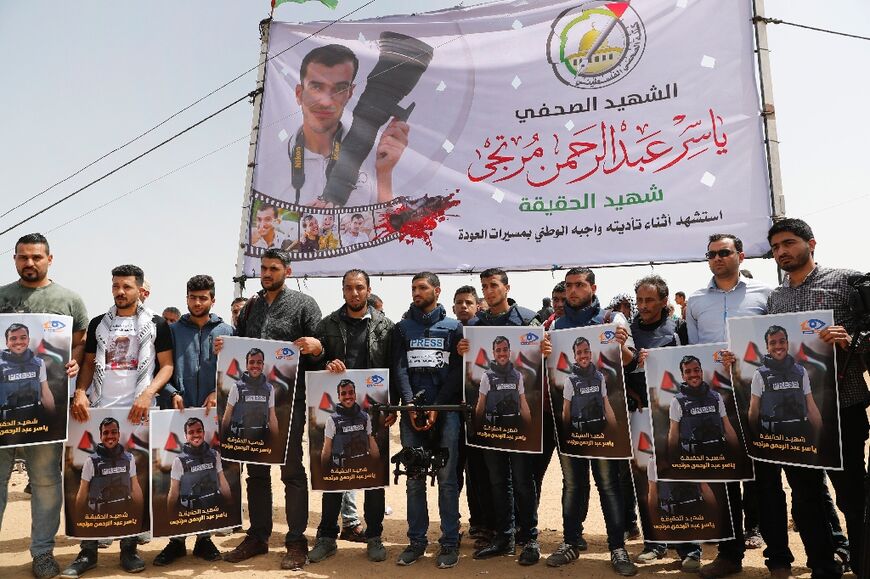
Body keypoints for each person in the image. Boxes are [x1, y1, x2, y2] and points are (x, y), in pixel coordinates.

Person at [757, 218, 868, 578]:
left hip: (843, 405)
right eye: (775, 248)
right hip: (793, 414)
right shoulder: (776, 297)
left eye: (788, 243)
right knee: (805, 495)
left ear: (811, 243)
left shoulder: (848, 282)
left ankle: (864, 561)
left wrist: (851, 339)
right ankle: (822, 563)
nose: (781, 252)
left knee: (852, 492)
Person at [64, 264, 175, 578]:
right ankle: (87, 552)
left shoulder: (156, 324)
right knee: (87, 479)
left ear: (140, 289)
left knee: (130, 482)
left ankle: (129, 549)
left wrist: (148, 392)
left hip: (138, 413)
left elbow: (166, 367)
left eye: (126, 286)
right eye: (115, 286)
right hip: (96, 412)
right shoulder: (99, 323)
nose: (120, 292)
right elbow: (86, 364)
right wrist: (82, 392)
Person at [218, 248, 323, 571]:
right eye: (263, 268)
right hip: (251, 407)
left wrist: (316, 348)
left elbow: (320, 348)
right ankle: (258, 536)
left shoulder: (305, 305)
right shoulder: (251, 306)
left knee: (291, 471)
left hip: (287, 405)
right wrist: (226, 346)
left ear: (287, 272)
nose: (266, 273)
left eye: (273, 268)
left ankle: (295, 540)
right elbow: (240, 345)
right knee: (256, 472)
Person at [0, 233, 87, 579]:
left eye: (36, 257)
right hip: (3, 414)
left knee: (46, 482)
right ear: (15, 260)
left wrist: (74, 363)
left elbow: (80, 345)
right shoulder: (2, 297)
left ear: (50, 259)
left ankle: (43, 553)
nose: (29, 263)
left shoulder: (69, 300)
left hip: (44, 413)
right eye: (23, 257)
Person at [685, 233, 772, 579]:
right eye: (712, 254)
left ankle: (774, 551)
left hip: (759, 397)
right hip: (715, 401)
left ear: (741, 254)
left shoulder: (766, 294)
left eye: (725, 252)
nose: (718, 258)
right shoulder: (694, 301)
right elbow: (691, 352)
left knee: (763, 475)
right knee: (723, 476)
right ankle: (729, 554)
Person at [541, 267, 637, 576]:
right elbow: (544, 369)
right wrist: (541, 353)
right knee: (573, 485)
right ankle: (570, 542)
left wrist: (621, 345)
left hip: (605, 427)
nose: (573, 291)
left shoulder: (611, 320)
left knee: (609, 485)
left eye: (580, 285)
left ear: (592, 288)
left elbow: (628, 360)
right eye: (569, 286)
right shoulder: (554, 324)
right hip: (572, 427)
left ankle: (617, 548)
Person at [456, 268, 542, 566]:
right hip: (491, 425)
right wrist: (462, 350)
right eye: (485, 286)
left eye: (494, 285)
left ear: (507, 287)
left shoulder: (529, 320)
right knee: (496, 481)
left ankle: (529, 537)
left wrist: (544, 349)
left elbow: (540, 366)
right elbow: (472, 379)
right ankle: (504, 536)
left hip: (519, 424)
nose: (489, 291)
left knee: (522, 479)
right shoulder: (475, 325)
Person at [309, 269, 394, 563]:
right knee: (334, 475)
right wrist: (324, 361)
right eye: (349, 288)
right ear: (342, 291)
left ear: (368, 289)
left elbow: (393, 370)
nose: (354, 293)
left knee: (373, 477)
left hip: (373, 413)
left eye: (360, 287)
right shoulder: (327, 325)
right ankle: (327, 537)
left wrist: (391, 406)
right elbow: (312, 365)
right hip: (337, 412)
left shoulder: (386, 327)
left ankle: (374, 537)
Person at [153, 274, 233, 566]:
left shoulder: (227, 330)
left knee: (207, 475)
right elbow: (161, 367)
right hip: (177, 413)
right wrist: (172, 391)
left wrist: (216, 391)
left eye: (203, 298)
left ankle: (204, 539)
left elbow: (232, 371)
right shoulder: (172, 330)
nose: (197, 302)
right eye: (192, 297)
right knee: (178, 476)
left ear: (213, 299)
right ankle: (175, 541)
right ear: (186, 298)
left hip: (213, 415)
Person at [281, 43, 409, 208]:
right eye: (316, 87)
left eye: (339, 89)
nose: (326, 101)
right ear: (299, 93)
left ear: (350, 93)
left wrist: (384, 174)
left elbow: (389, 228)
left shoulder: (377, 156)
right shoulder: (267, 162)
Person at [392, 272, 463, 569]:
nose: (416, 292)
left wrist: (438, 406)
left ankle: (449, 543)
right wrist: (408, 404)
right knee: (414, 480)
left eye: (422, 288)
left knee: (447, 480)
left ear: (436, 290)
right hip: (412, 416)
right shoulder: (402, 328)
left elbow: (458, 369)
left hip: (445, 413)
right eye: (413, 288)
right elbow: (399, 367)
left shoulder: (454, 327)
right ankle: (417, 543)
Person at [628, 274, 698, 569]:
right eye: (639, 300)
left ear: (663, 301)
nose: (643, 306)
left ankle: (689, 548)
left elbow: (693, 362)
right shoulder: (627, 333)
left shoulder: (678, 329)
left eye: (649, 300)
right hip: (639, 415)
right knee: (646, 481)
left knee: (680, 476)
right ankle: (654, 542)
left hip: (673, 414)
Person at [451, 285, 492, 548]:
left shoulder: (486, 330)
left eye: (468, 302)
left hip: (482, 413)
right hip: (453, 412)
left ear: (477, 305)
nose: (464, 306)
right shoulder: (449, 330)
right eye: (459, 303)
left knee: (481, 471)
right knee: (456, 471)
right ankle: (463, 523)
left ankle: (486, 525)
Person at [749, 326, 822, 441]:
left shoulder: (801, 371)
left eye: (782, 342)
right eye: (772, 343)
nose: (778, 346)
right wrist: (758, 444)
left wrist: (819, 439)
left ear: (787, 344)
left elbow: (812, 408)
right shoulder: (759, 375)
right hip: (773, 441)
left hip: (802, 440)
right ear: (767, 347)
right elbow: (753, 413)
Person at [667, 356, 739, 462]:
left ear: (701, 372)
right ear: (683, 376)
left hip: (719, 459)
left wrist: (739, 455)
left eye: (696, 370)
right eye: (688, 371)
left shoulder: (716, 397)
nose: (693, 374)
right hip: (694, 463)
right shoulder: (677, 401)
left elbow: (728, 429)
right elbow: (673, 436)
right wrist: (673, 463)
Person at [74, 417, 143, 518]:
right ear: (100, 436)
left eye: (114, 432)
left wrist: (141, 514)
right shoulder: (91, 462)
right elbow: (83, 491)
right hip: (99, 517)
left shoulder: (129, 458)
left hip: (124, 515)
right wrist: (77, 518)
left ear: (118, 434)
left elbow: (135, 487)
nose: (110, 436)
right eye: (105, 433)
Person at [167, 417, 231, 513]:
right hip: (191, 513)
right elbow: (174, 492)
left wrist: (230, 503)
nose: (196, 435)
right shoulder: (179, 461)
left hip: (214, 509)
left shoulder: (215, 455)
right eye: (191, 432)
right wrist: (169, 516)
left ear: (204, 433)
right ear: (186, 436)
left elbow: (223, 482)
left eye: (199, 431)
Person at [220, 348, 279, 446]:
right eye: (251, 362)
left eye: (259, 362)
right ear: (246, 365)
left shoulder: (269, 389)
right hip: (240, 442)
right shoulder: (236, 387)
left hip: (261, 441)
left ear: (263, 365)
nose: (255, 365)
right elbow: (227, 416)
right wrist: (223, 440)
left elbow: (272, 418)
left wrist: (277, 443)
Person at [0, 323, 55, 421]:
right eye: (13, 338)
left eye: (23, 338)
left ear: (28, 340)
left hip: (34, 419)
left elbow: (45, 393)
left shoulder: (39, 363)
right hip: (7, 424)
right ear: (7, 342)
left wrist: (54, 419)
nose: (18, 342)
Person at [475, 336, 532, 429]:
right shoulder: (486, 376)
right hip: (493, 429)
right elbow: (480, 405)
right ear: (493, 353)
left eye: (505, 350)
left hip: (514, 429)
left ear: (509, 351)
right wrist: (476, 428)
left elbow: (523, 404)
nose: (502, 353)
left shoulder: (518, 376)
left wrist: (530, 429)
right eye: (498, 350)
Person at [563, 337, 616, 436]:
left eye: (586, 351)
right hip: (580, 434)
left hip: (600, 432)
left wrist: (615, 430)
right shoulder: (570, 380)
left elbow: (607, 406)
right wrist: (565, 436)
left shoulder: (599, 377)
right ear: (574, 356)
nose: (583, 355)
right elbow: (566, 411)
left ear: (590, 354)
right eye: (579, 352)